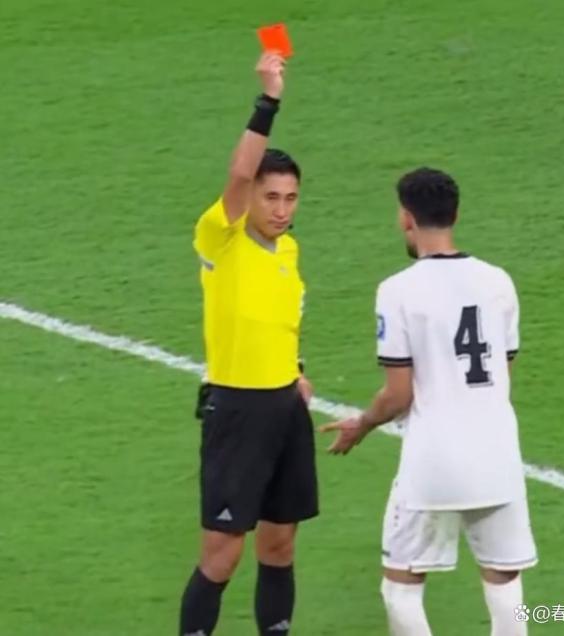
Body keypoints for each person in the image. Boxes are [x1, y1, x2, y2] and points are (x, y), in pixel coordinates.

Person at [321, 168, 537, 636]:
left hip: (433, 461)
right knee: (505, 587)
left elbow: (398, 393)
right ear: (455, 214)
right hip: (498, 455)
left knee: (401, 588)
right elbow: (503, 371)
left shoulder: (398, 290)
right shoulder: (499, 282)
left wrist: (362, 424)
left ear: (406, 218)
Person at [179, 52, 318, 636]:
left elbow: (281, 321)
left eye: (290, 198)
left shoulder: (289, 251)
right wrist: (269, 101)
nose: (281, 210)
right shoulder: (223, 238)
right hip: (236, 410)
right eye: (271, 198)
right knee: (223, 554)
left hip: (285, 407)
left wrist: (296, 370)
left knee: (280, 545)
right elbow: (239, 175)